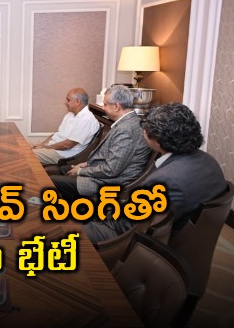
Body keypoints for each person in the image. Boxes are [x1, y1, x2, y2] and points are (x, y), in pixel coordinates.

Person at [83, 102, 228, 244]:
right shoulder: (209, 161)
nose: (143, 132)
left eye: (145, 130)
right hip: (189, 239)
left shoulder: (165, 180)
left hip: (143, 244)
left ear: (157, 142)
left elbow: (128, 226)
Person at [50, 84, 151, 202]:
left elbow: (111, 170)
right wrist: (86, 164)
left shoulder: (126, 130)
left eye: (105, 104)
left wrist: (81, 170)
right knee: (64, 170)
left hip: (108, 182)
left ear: (116, 106)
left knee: (51, 180)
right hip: (104, 174)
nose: (103, 108)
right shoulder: (128, 122)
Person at [32, 88, 100, 165]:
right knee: (24, 147)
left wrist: (45, 148)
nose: (65, 103)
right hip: (53, 147)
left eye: (68, 100)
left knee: (27, 155)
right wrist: (42, 144)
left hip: (63, 154)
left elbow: (67, 145)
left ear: (78, 102)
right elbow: (57, 134)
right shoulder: (69, 115)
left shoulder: (86, 119)